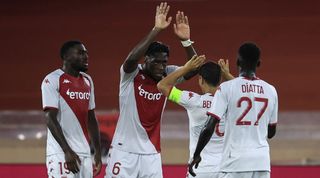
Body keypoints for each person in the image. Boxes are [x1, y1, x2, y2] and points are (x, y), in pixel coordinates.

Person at [104, 3, 197, 178]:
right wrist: (156, 29)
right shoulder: (131, 74)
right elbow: (131, 58)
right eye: (156, 61)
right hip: (124, 152)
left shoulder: (167, 75)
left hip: (152, 154)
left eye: (164, 62)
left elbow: (194, 68)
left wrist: (186, 41)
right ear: (146, 59)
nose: (161, 66)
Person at [189, 42, 278, 178]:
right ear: (259, 63)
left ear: (238, 62)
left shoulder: (226, 88)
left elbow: (209, 126)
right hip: (262, 162)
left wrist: (196, 154)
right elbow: (271, 133)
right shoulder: (271, 90)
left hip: (235, 162)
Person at [158, 56, 235, 178]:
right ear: (220, 80)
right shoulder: (231, 102)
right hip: (226, 169)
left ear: (201, 80)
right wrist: (228, 75)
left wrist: (186, 68)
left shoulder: (193, 101)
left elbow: (162, 85)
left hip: (200, 168)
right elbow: (245, 94)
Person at [41, 40, 102, 178]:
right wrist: (67, 151)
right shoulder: (52, 80)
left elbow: (91, 118)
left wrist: (97, 151)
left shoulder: (88, 80)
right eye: (80, 53)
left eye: (86, 53)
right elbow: (50, 119)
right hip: (61, 153)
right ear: (66, 57)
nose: (86, 57)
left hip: (85, 153)